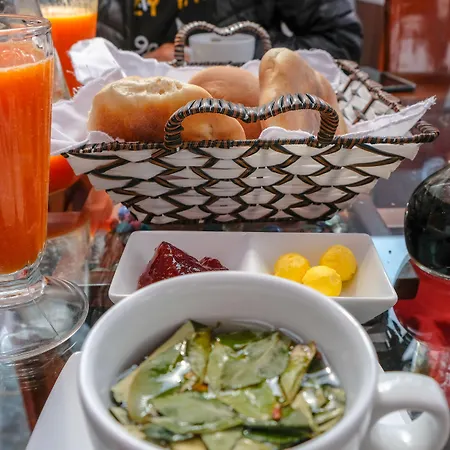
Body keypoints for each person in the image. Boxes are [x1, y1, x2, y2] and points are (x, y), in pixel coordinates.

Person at [97, 0, 362, 62]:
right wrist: (140, 66)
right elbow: (79, 63)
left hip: (250, 150)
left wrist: (241, 55)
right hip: (123, 149)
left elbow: (342, 42)